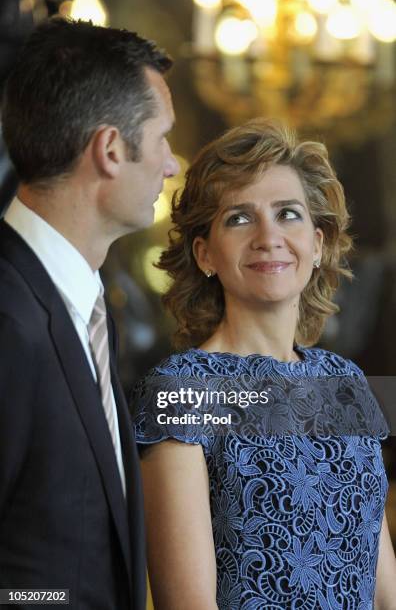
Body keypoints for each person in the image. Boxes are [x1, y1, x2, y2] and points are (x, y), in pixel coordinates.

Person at [131, 119, 396, 609]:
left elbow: (384, 589)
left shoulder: (346, 384)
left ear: (317, 245)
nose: (268, 236)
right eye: (239, 218)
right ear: (205, 253)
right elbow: (188, 605)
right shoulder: (183, 391)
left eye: (288, 214)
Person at [0, 16, 179, 610]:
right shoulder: (8, 316)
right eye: (162, 140)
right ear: (109, 150)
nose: (173, 164)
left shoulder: (81, 304)